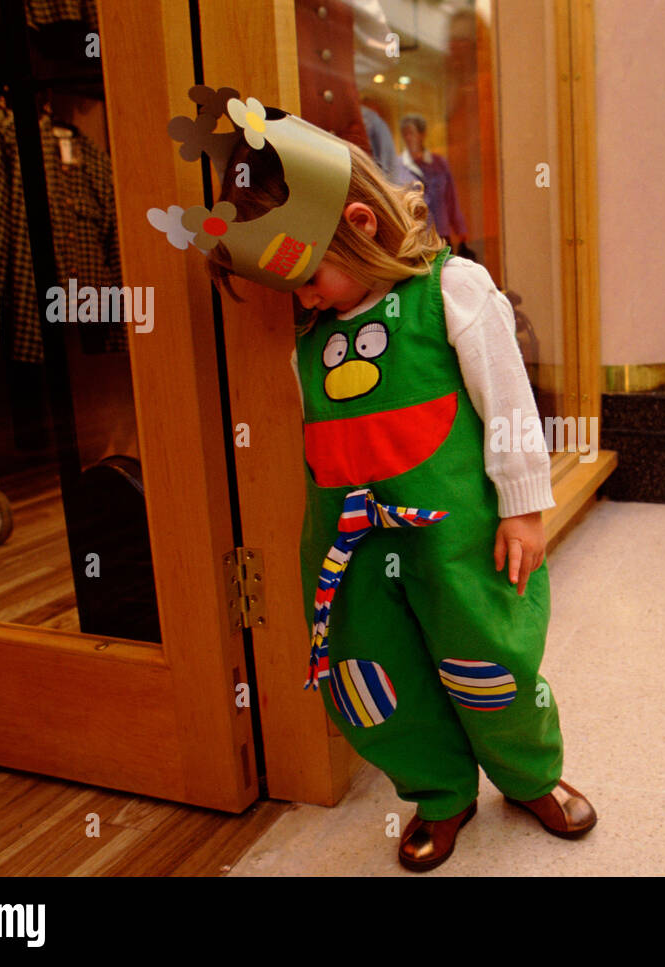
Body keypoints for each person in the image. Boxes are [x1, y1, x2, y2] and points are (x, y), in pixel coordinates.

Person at [156, 86, 595, 872]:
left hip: (457, 540)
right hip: (347, 553)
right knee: (371, 676)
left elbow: (509, 403)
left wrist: (524, 506)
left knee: (489, 657)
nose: (300, 299)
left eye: (308, 276)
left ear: (359, 225)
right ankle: (437, 791)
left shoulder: (451, 293)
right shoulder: (310, 342)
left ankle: (529, 772)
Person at [399, 113, 468, 252]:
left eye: (411, 133)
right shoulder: (397, 165)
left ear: (422, 134)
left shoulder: (440, 163)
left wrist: (460, 228)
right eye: (405, 134)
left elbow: (451, 198)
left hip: (441, 233)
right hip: (414, 237)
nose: (408, 138)